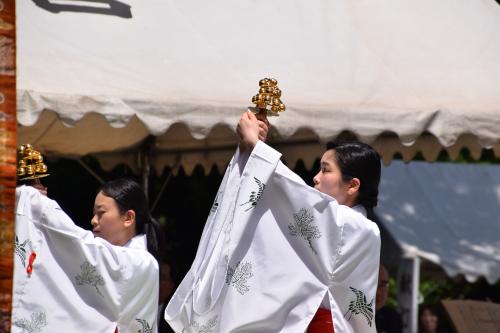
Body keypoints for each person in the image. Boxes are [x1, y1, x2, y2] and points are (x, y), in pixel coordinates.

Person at [165, 111, 381, 332]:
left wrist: (258, 150)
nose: (315, 177)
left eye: (325, 170)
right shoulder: (341, 225)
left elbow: (300, 198)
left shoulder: (359, 228)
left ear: (353, 185)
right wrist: (252, 151)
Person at [12, 178, 161, 333]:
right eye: (94, 213)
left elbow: (78, 241)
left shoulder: (141, 262)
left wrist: (36, 202)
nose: (93, 220)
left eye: (101, 213)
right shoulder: (135, 260)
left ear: (128, 218)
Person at [375, 265, 403, 333]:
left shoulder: (393, 318)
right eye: (374, 284)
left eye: (383, 285)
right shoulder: (348, 318)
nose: (378, 292)